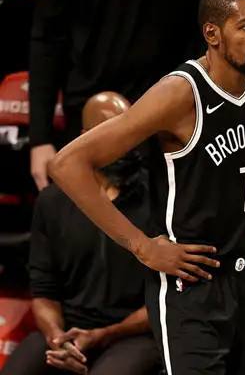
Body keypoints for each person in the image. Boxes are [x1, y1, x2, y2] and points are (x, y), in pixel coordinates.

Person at [48, 0, 245, 375]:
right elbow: (66, 164)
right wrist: (142, 246)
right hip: (191, 287)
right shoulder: (179, 93)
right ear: (212, 34)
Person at [28, 0, 244, 190]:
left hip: (166, 115)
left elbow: (217, 25)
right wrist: (40, 139)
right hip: (87, 111)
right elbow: (48, 34)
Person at [1, 92, 160, 375]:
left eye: (130, 131)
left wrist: (104, 335)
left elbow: (165, 299)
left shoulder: (158, 199)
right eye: (114, 132)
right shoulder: (52, 202)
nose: (126, 143)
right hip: (71, 330)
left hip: (132, 333)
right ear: (86, 137)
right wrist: (57, 337)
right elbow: (44, 292)